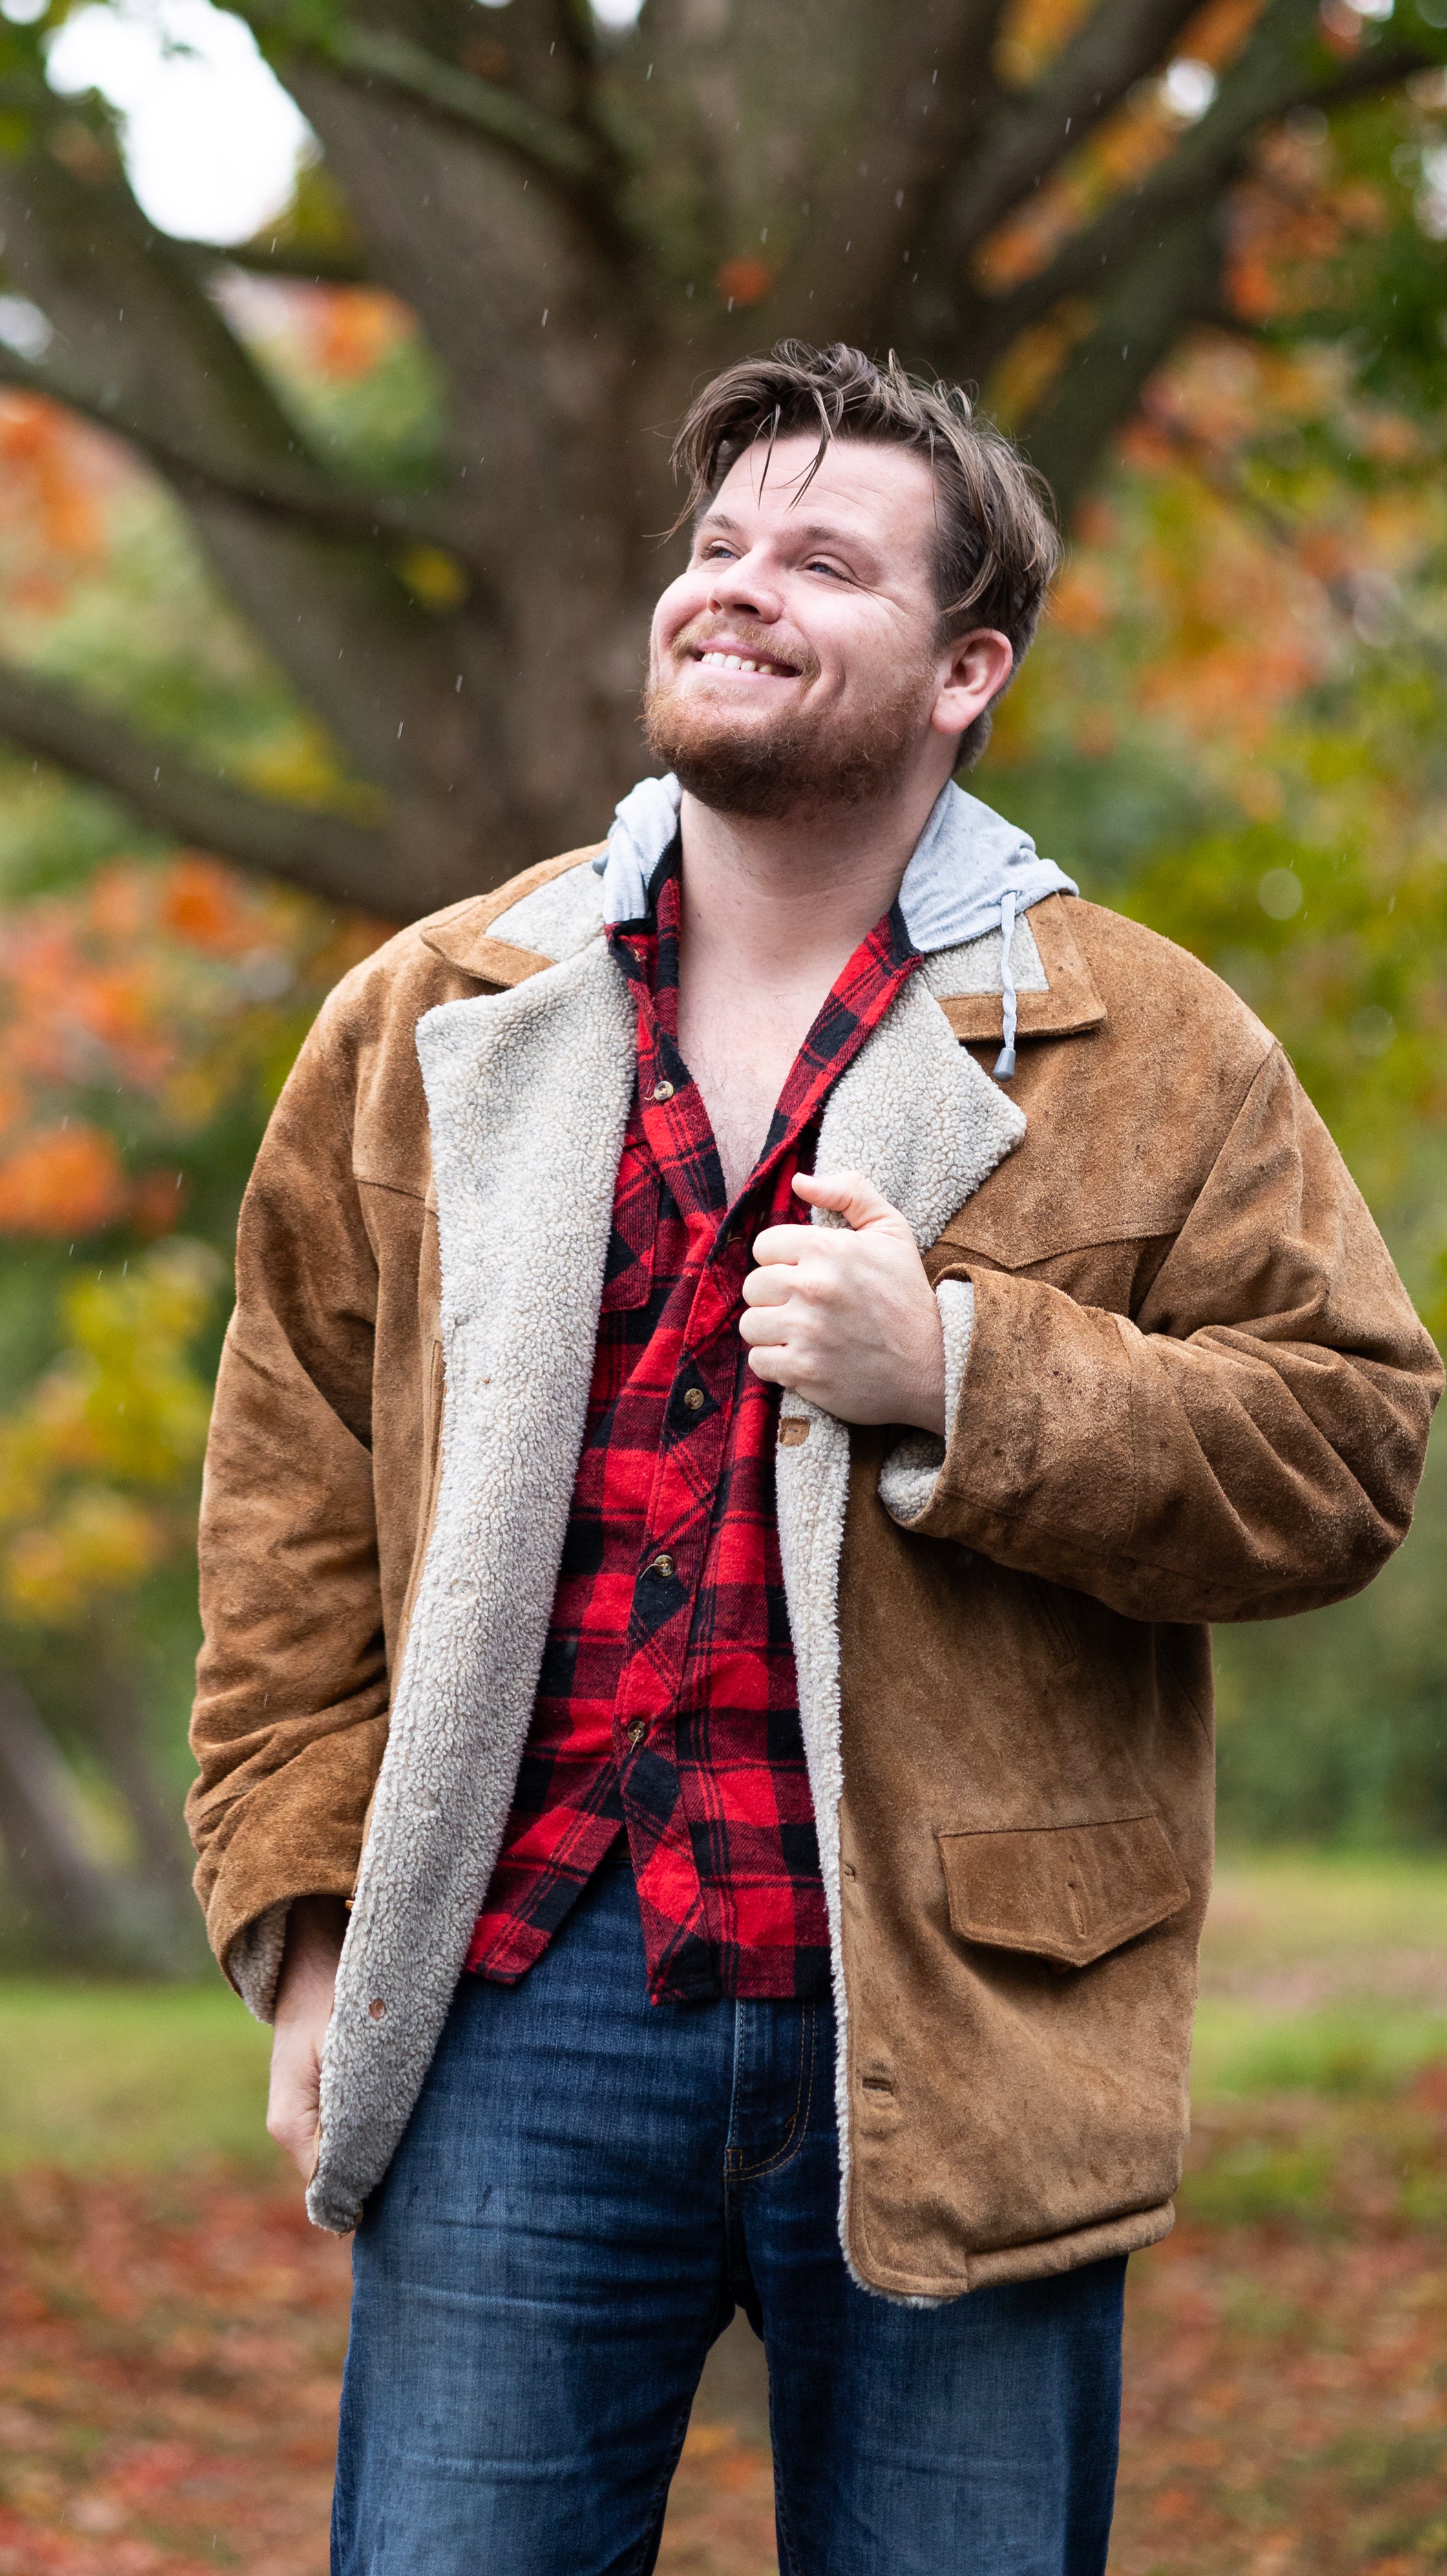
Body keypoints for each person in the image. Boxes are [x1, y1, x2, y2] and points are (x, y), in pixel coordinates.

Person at [185, 343, 1438, 2576]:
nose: (739, 587)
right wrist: (305, 1941)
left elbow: (1348, 1445)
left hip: (961, 2022)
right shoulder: (435, 1014)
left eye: (827, 563)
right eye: (720, 545)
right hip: (516, 2003)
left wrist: (963, 1374)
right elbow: (285, 1505)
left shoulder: (1155, 1045)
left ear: (967, 672)